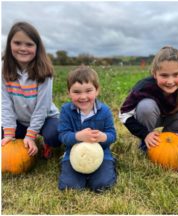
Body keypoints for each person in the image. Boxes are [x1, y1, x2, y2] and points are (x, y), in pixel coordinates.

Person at [1, 21, 60, 158]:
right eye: (17, 43)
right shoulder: (3, 68)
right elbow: (5, 103)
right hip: (19, 120)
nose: (23, 48)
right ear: (9, 44)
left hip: (46, 118)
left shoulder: (44, 71)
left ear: (37, 47)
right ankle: (20, 140)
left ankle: (46, 143)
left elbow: (42, 107)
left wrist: (31, 134)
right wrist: (9, 134)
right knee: (3, 135)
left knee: (55, 135)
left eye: (29, 44)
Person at [119, 46, 178, 153]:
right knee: (146, 107)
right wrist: (145, 134)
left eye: (176, 74)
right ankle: (147, 145)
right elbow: (124, 114)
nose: (170, 81)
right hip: (150, 117)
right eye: (164, 75)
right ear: (154, 73)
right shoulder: (144, 87)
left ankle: (171, 139)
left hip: (175, 119)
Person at [57, 66, 117, 192]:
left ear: (97, 90)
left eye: (88, 91)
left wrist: (103, 137)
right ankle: (66, 163)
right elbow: (62, 136)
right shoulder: (66, 111)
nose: (83, 97)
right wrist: (77, 136)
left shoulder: (104, 111)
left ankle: (109, 164)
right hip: (73, 154)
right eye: (77, 92)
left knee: (103, 185)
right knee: (70, 187)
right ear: (69, 93)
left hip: (101, 154)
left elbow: (112, 135)